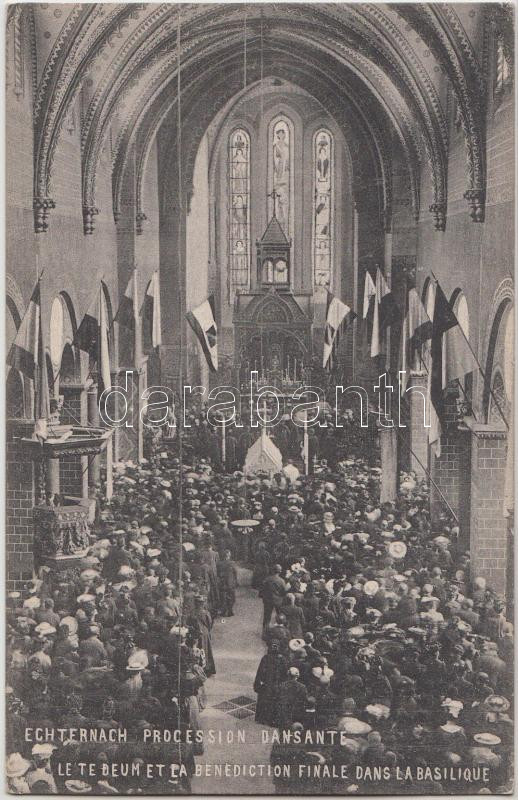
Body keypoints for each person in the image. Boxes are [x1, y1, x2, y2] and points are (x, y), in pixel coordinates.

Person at [217, 550, 238, 617]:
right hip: (230, 583)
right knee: (231, 597)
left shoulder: (219, 563)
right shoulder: (232, 563)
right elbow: (235, 573)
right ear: (229, 555)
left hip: (222, 583)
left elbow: (217, 573)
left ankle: (224, 611)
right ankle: (230, 610)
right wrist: (235, 581)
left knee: (223, 597)